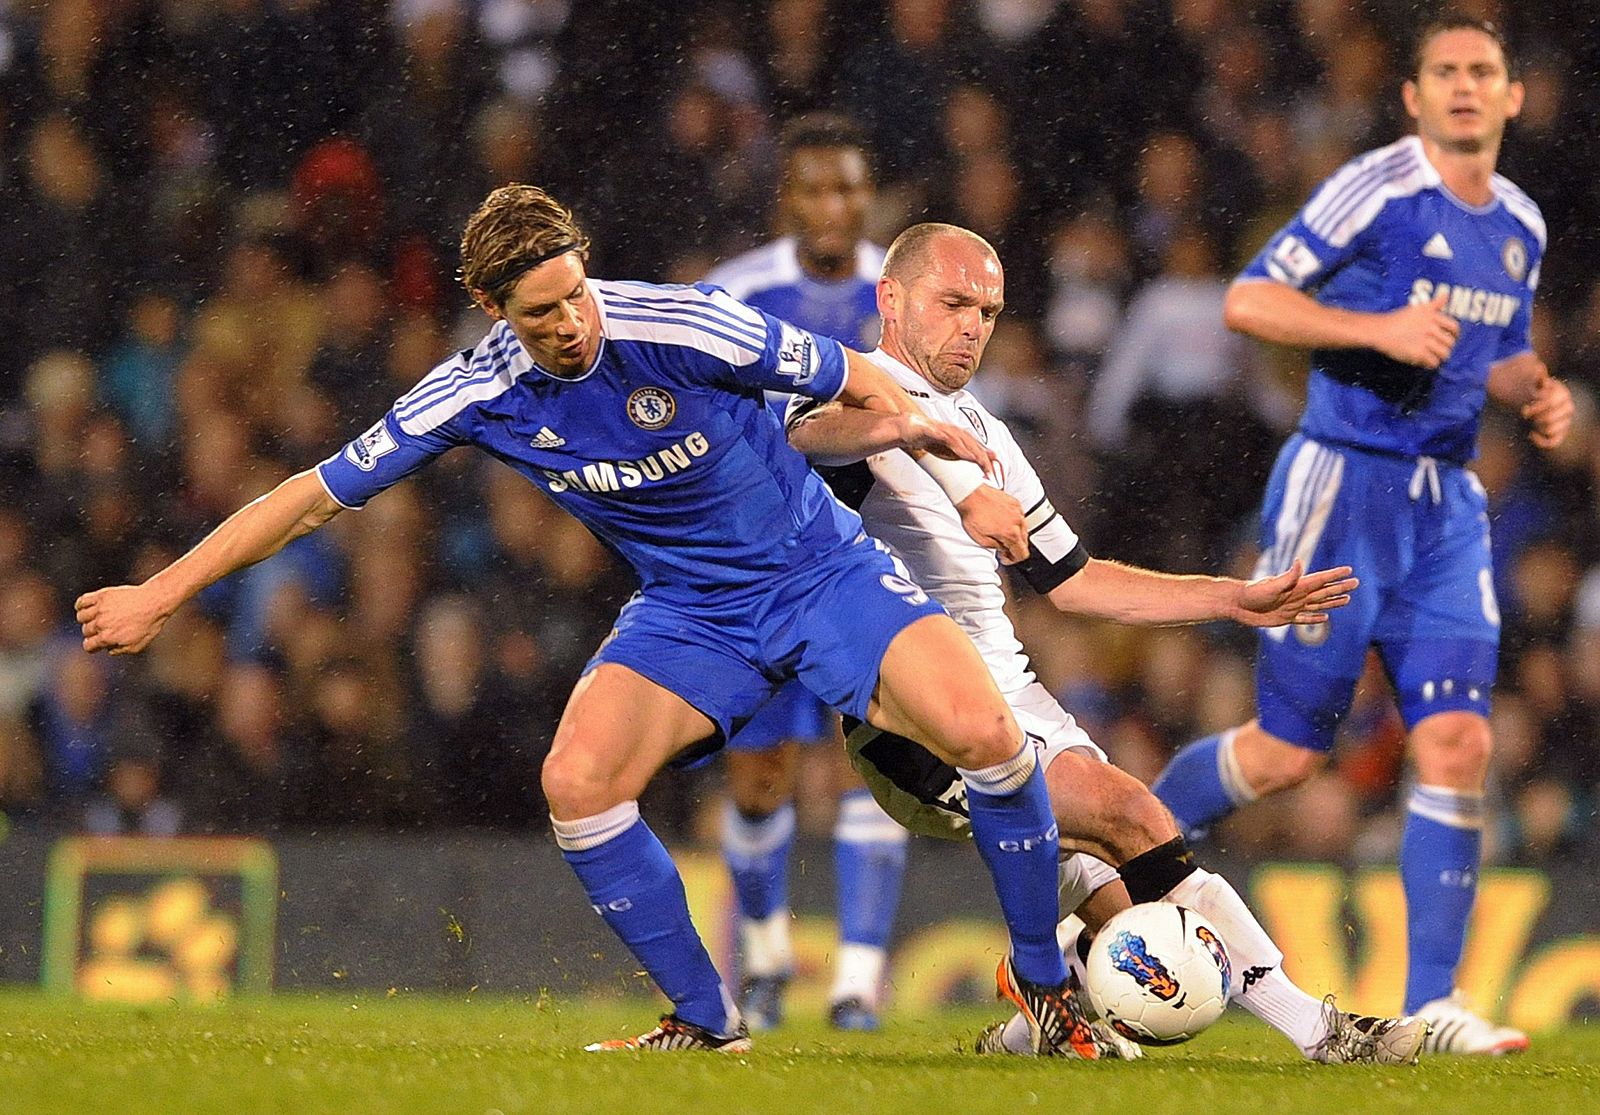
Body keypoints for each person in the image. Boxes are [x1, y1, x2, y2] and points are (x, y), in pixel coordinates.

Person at [76, 184, 1096, 1057]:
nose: (572, 322)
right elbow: (307, 494)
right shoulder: (474, 390)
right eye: (541, 312)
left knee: (989, 734)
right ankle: (707, 1021)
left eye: (575, 293)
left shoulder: (681, 322)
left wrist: (957, 478)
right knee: (576, 781)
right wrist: (161, 593)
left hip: (816, 569)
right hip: (691, 611)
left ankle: (1046, 990)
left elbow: (868, 380)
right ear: (488, 308)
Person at [784, 220, 1428, 1065]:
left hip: (1020, 698)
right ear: (891, 299)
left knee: (1131, 917)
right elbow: (808, 436)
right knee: (1134, 811)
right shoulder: (856, 394)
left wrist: (1231, 597)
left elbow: (1078, 581)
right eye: (953, 303)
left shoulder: (989, 431)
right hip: (918, 712)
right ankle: (1319, 1031)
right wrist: (909, 429)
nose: (973, 325)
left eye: (989, 309)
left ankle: (1025, 1035)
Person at [1148, 15, 1573, 1055]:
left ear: (1513, 96)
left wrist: (1535, 392)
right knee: (1287, 755)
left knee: (1459, 741)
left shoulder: (1519, 222)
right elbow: (1250, 298)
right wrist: (1372, 328)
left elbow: (1496, 353)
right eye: (1445, 73)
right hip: (1340, 487)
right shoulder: (1376, 187)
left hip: (1445, 506)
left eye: (1483, 72)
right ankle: (1114, 853)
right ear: (1412, 97)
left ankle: (1434, 1003)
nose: (1465, 88)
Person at [703, 113, 904, 1032]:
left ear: (869, 196)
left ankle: (859, 982)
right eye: (817, 188)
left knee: (877, 755)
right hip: (759, 562)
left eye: (850, 187)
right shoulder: (735, 293)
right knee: (760, 775)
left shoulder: (905, 293)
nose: (835, 205)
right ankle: (771, 958)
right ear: (788, 199)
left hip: (878, 552)